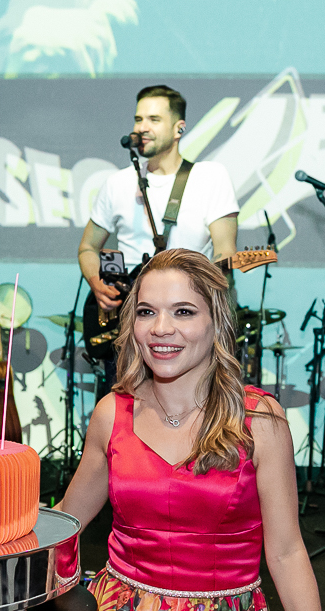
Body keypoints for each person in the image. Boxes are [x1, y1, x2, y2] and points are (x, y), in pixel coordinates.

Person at [47, 249, 325, 611]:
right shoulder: (113, 412)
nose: (162, 330)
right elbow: (66, 522)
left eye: (183, 312)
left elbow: (287, 553)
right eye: (146, 312)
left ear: (217, 322)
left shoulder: (259, 421)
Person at [78, 85, 239, 391]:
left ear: (179, 128)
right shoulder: (117, 183)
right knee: (121, 411)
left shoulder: (210, 177)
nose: (142, 128)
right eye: (138, 119)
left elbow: (225, 253)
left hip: (184, 328)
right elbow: (87, 247)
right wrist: (96, 284)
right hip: (127, 326)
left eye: (153, 119)